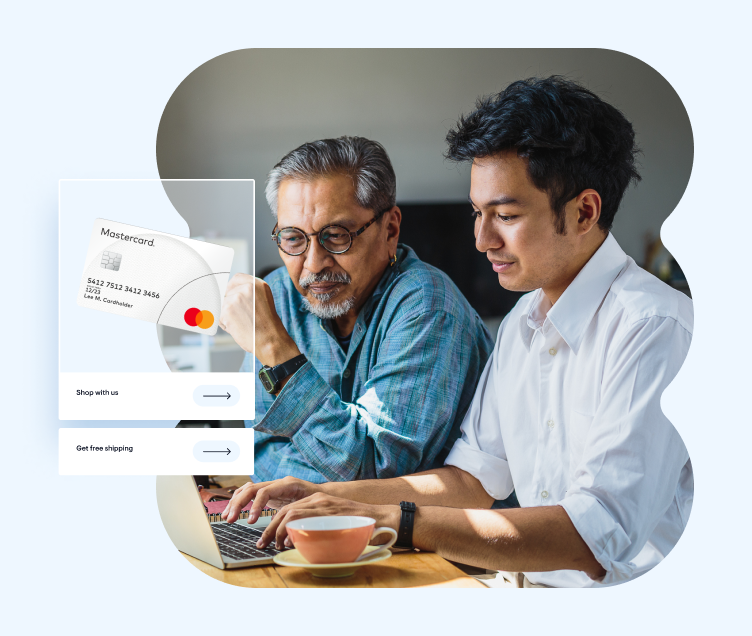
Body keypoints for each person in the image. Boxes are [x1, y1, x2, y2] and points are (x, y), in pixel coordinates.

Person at [221, 77, 694, 588]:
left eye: (505, 216)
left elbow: (595, 535)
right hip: (522, 588)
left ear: (584, 212)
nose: (481, 238)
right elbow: (470, 481)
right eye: (477, 213)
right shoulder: (522, 325)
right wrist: (328, 499)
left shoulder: (654, 328)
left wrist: (401, 521)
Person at [219, 136, 495, 483]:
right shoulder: (278, 294)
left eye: (336, 235)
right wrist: (314, 489)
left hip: (423, 535)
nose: (314, 264)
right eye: (293, 238)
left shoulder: (428, 306)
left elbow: (376, 470)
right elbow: (259, 447)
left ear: (390, 229)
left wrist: (278, 352)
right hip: (313, 527)